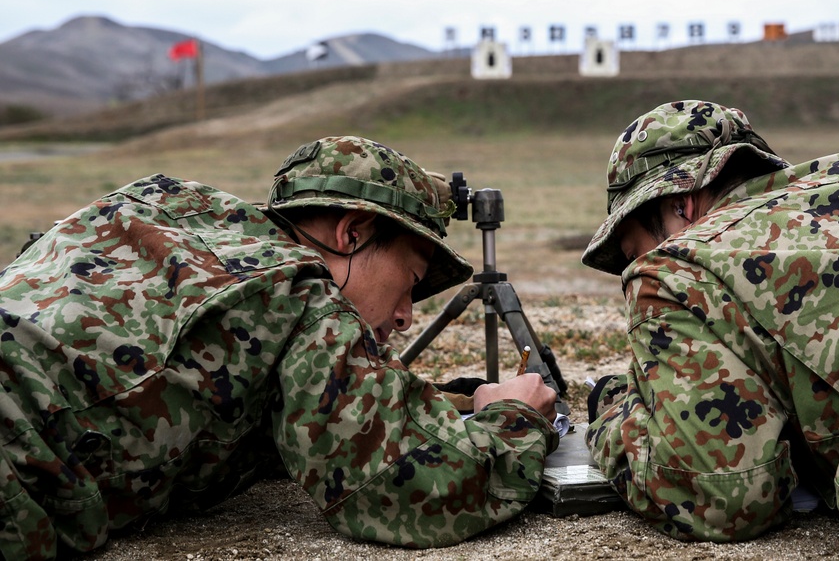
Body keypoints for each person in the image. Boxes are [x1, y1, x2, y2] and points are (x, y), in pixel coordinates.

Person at [0, 136, 558, 560]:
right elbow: (408, 491)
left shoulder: (158, 209)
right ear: (353, 233)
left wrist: (449, 401)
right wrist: (513, 418)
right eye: (409, 281)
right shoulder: (299, 293)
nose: (406, 314)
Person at [582, 100, 839, 559]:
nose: (635, 265)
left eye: (632, 250)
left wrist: (613, 408)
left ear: (681, 205)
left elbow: (718, 495)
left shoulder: (679, 265)